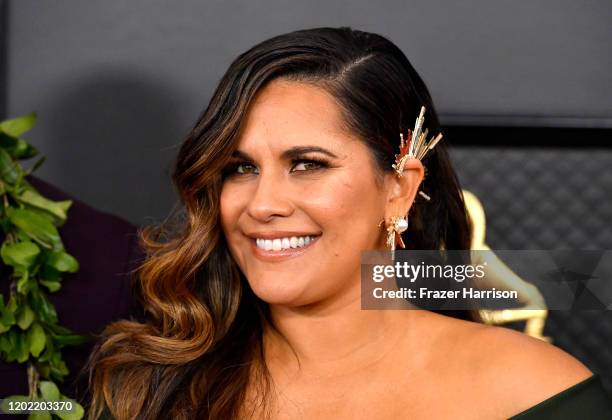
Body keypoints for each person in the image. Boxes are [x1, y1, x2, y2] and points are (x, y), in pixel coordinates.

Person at [85, 27, 612, 419]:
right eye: (239, 168)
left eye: (307, 164)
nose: (262, 203)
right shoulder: (149, 390)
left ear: (399, 188)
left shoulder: (532, 391)